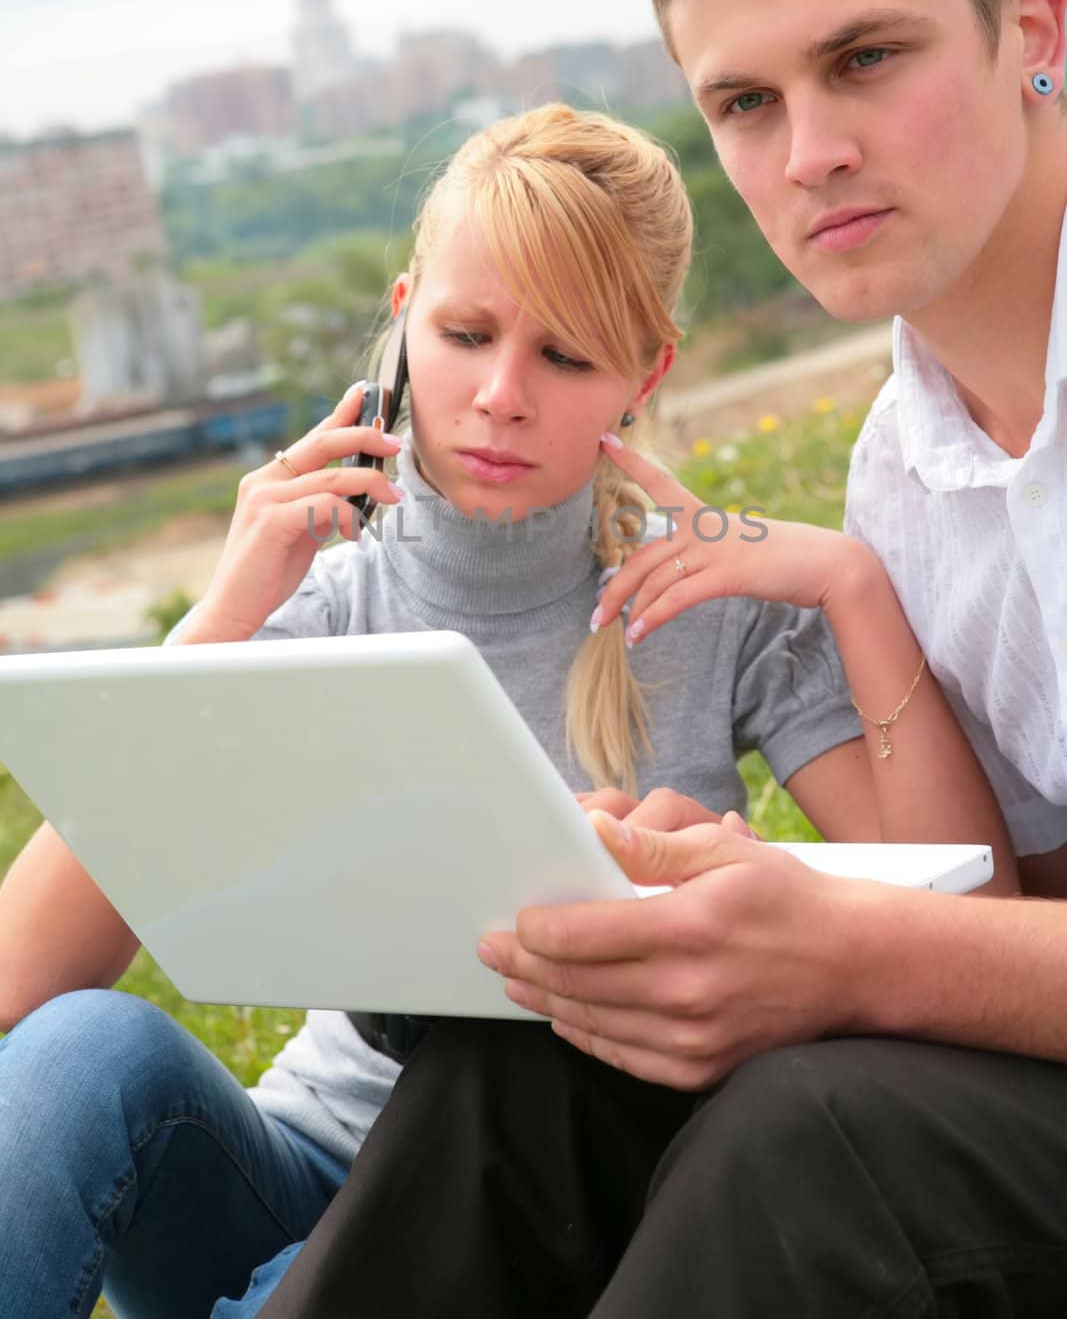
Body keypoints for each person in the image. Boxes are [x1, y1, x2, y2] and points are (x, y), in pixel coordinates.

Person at [247, 0, 1067, 1319]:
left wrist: (846, 950)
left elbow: (946, 972)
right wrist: (766, 909)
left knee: (798, 1131)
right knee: (542, 1051)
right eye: (743, 103)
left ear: (1028, 28)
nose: (805, 151)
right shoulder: (903, 471)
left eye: (864, 58)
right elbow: (1011, 937)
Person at [0, 98, 1012, 1319]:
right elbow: (21, 994)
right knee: (83, 1055)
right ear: (403, 315)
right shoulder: (323, 594)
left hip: (563, 1199)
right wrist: (216, 619)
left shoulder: (709, 593)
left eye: (566, 357)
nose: (498, 395)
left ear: (645, 374)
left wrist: (850, 589)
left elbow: (976, 917)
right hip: (309, 1168)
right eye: (466, 333)